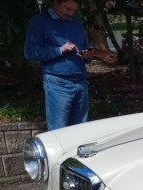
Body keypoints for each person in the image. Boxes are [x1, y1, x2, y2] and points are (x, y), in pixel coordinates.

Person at [24, 0, 94, 131]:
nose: (71, 13)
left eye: (74, 10)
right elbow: (30, 52)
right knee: (58, 132)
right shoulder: (39, 21)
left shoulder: (75, 21)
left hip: (81, 82)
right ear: (56, 2)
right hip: (58, 83)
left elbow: (84, 48)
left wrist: (87, 56)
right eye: (67, 8)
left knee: (81, 131)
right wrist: (60, 50)